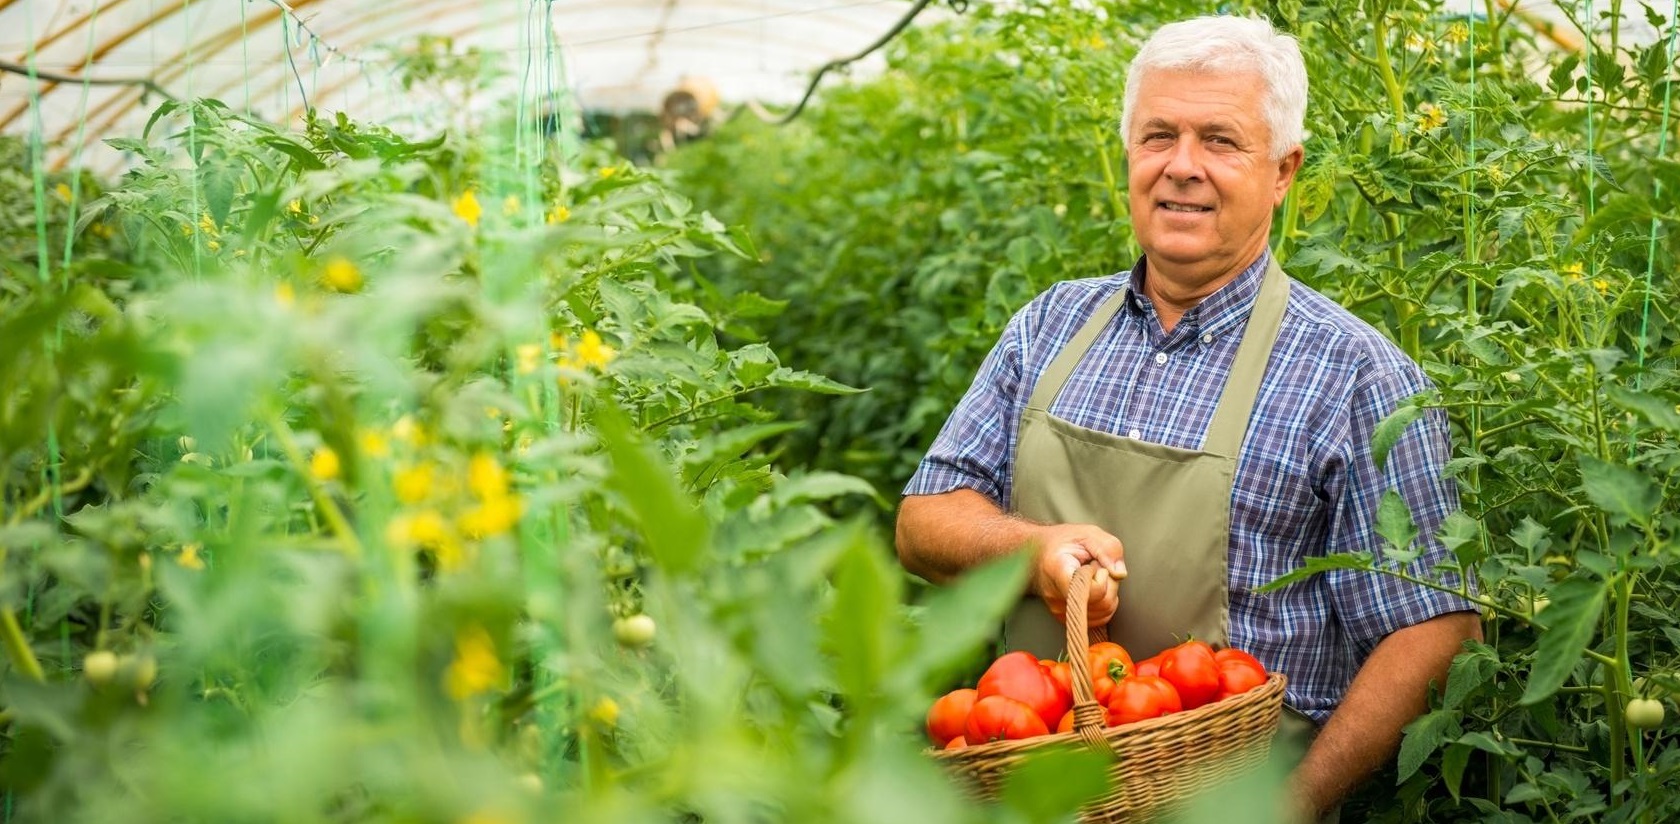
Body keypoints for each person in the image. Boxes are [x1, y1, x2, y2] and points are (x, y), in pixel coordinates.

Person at [894, 14, 1482, 820]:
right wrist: (1029, 550)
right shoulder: (1050, 327)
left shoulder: (1357, 376)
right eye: (1158, 135)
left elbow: (1434, 628)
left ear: (1283, 170)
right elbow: (924, 520)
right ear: (1129, 154)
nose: (1182, 167)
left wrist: (1289, 806)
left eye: (1220, 141)